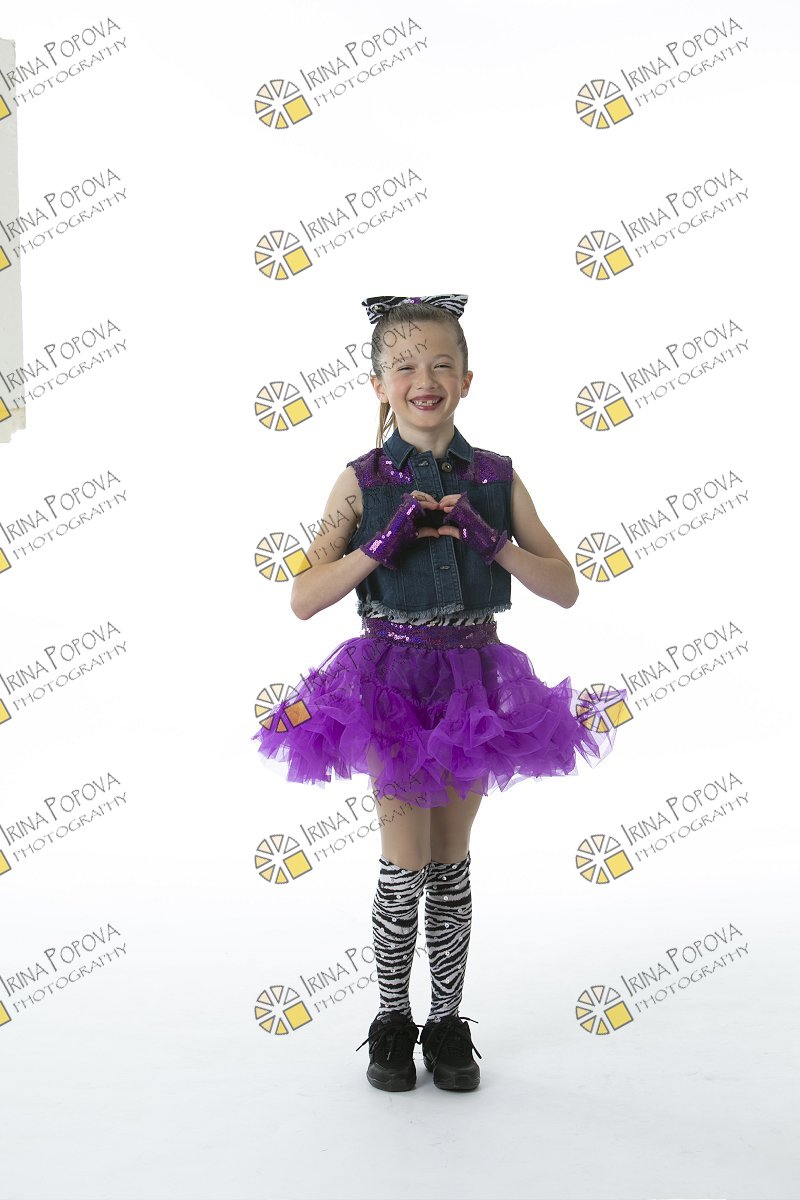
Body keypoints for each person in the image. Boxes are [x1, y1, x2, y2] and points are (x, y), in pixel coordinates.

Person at [251, 294, 626, 1094]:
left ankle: (447, 1021)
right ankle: (392, 1017)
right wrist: (377, 546)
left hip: (473, 686)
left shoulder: (496, 477)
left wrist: (494, 542)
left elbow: (564, 587)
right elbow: (304, 596)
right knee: (405, 863)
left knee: (451, 863)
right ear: (379, 383)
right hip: (390, 683)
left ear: (466, 379)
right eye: (405, 366)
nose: (425, 379)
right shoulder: (359, 482)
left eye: (442, 364)